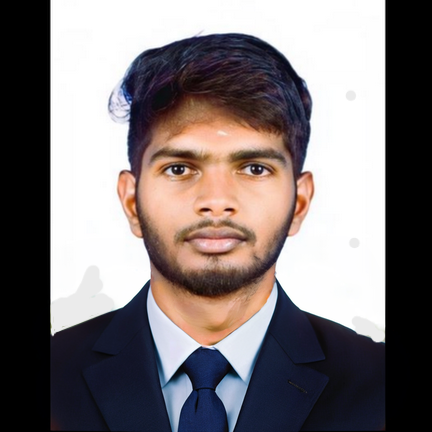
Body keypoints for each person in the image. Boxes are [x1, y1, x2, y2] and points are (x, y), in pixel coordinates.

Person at [50, 33, 385, 431]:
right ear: (130, 201)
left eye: (255, 168)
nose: (216, 201)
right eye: (179, 168)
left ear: (299, 202)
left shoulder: (377, 384)